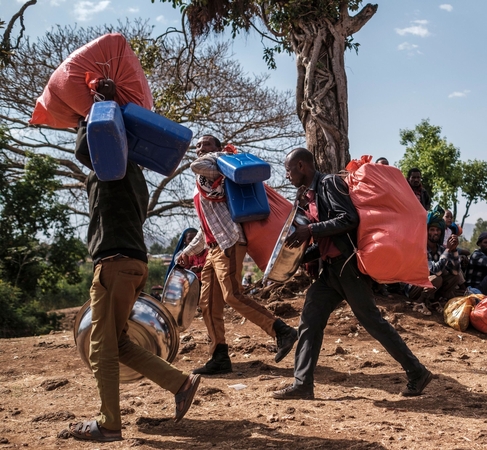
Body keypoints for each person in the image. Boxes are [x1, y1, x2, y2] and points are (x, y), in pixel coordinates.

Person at [68, 82, 201, 441]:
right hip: (133, 264)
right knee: (120, 343)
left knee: (101, 348)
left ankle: (109, 423)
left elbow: (86, 147)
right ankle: (181, 383)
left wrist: (96, 110)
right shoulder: (136, 176)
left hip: (114, 264)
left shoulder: (112, 170)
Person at [273, 148, 432, 399]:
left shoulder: (329, 184)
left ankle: (417, 372)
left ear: (302, 166)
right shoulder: (313, 194)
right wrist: (296, 258)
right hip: (330, 272)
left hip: (348, 268)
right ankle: (302, 384)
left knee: (372, 322)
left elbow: (348, 219)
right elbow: (327, 240)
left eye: (289, 169)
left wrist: (311, 229)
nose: (287, 175)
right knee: (310, 320)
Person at [178, 135, 298, 375]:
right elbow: (206, 226)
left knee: (232, 295)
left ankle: (282, 331)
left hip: (229, 244)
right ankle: (219, 356)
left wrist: (221, 155)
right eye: (198, 146)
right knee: (209, 305)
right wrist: (189, 251)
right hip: (213, 249)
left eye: (206, 145)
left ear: (218, 149)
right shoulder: (202, 182)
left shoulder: (219, 175)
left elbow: (196, 165)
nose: (200, 149)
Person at [407, 213, 465, 314]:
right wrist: (448, 249)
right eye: (432, 230)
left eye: (438, 230)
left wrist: (454, 250)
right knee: (437, 279)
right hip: (415, 286)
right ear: (427, 231)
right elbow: (436, 271)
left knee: (454, 278)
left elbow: (456, 271)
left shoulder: (441, 249)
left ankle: (433, 300)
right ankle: (419, 302)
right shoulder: (421, 248)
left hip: (430, 285)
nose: (436, 233)